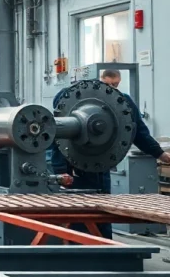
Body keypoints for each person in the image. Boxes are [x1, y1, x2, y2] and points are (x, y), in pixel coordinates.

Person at [48, 69, 169, 237]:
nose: (112, 88)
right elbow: (58, 135)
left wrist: (160, 154)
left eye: (115, 85)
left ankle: (104, 249)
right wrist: (61, 171)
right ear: (99, 80)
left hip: (99, 164)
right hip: (74, 166)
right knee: (77, 213)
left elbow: (139, 133)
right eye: (108, 84)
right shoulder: (70, 95)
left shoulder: (122, 102)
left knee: (101, 212)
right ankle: (80, 251)